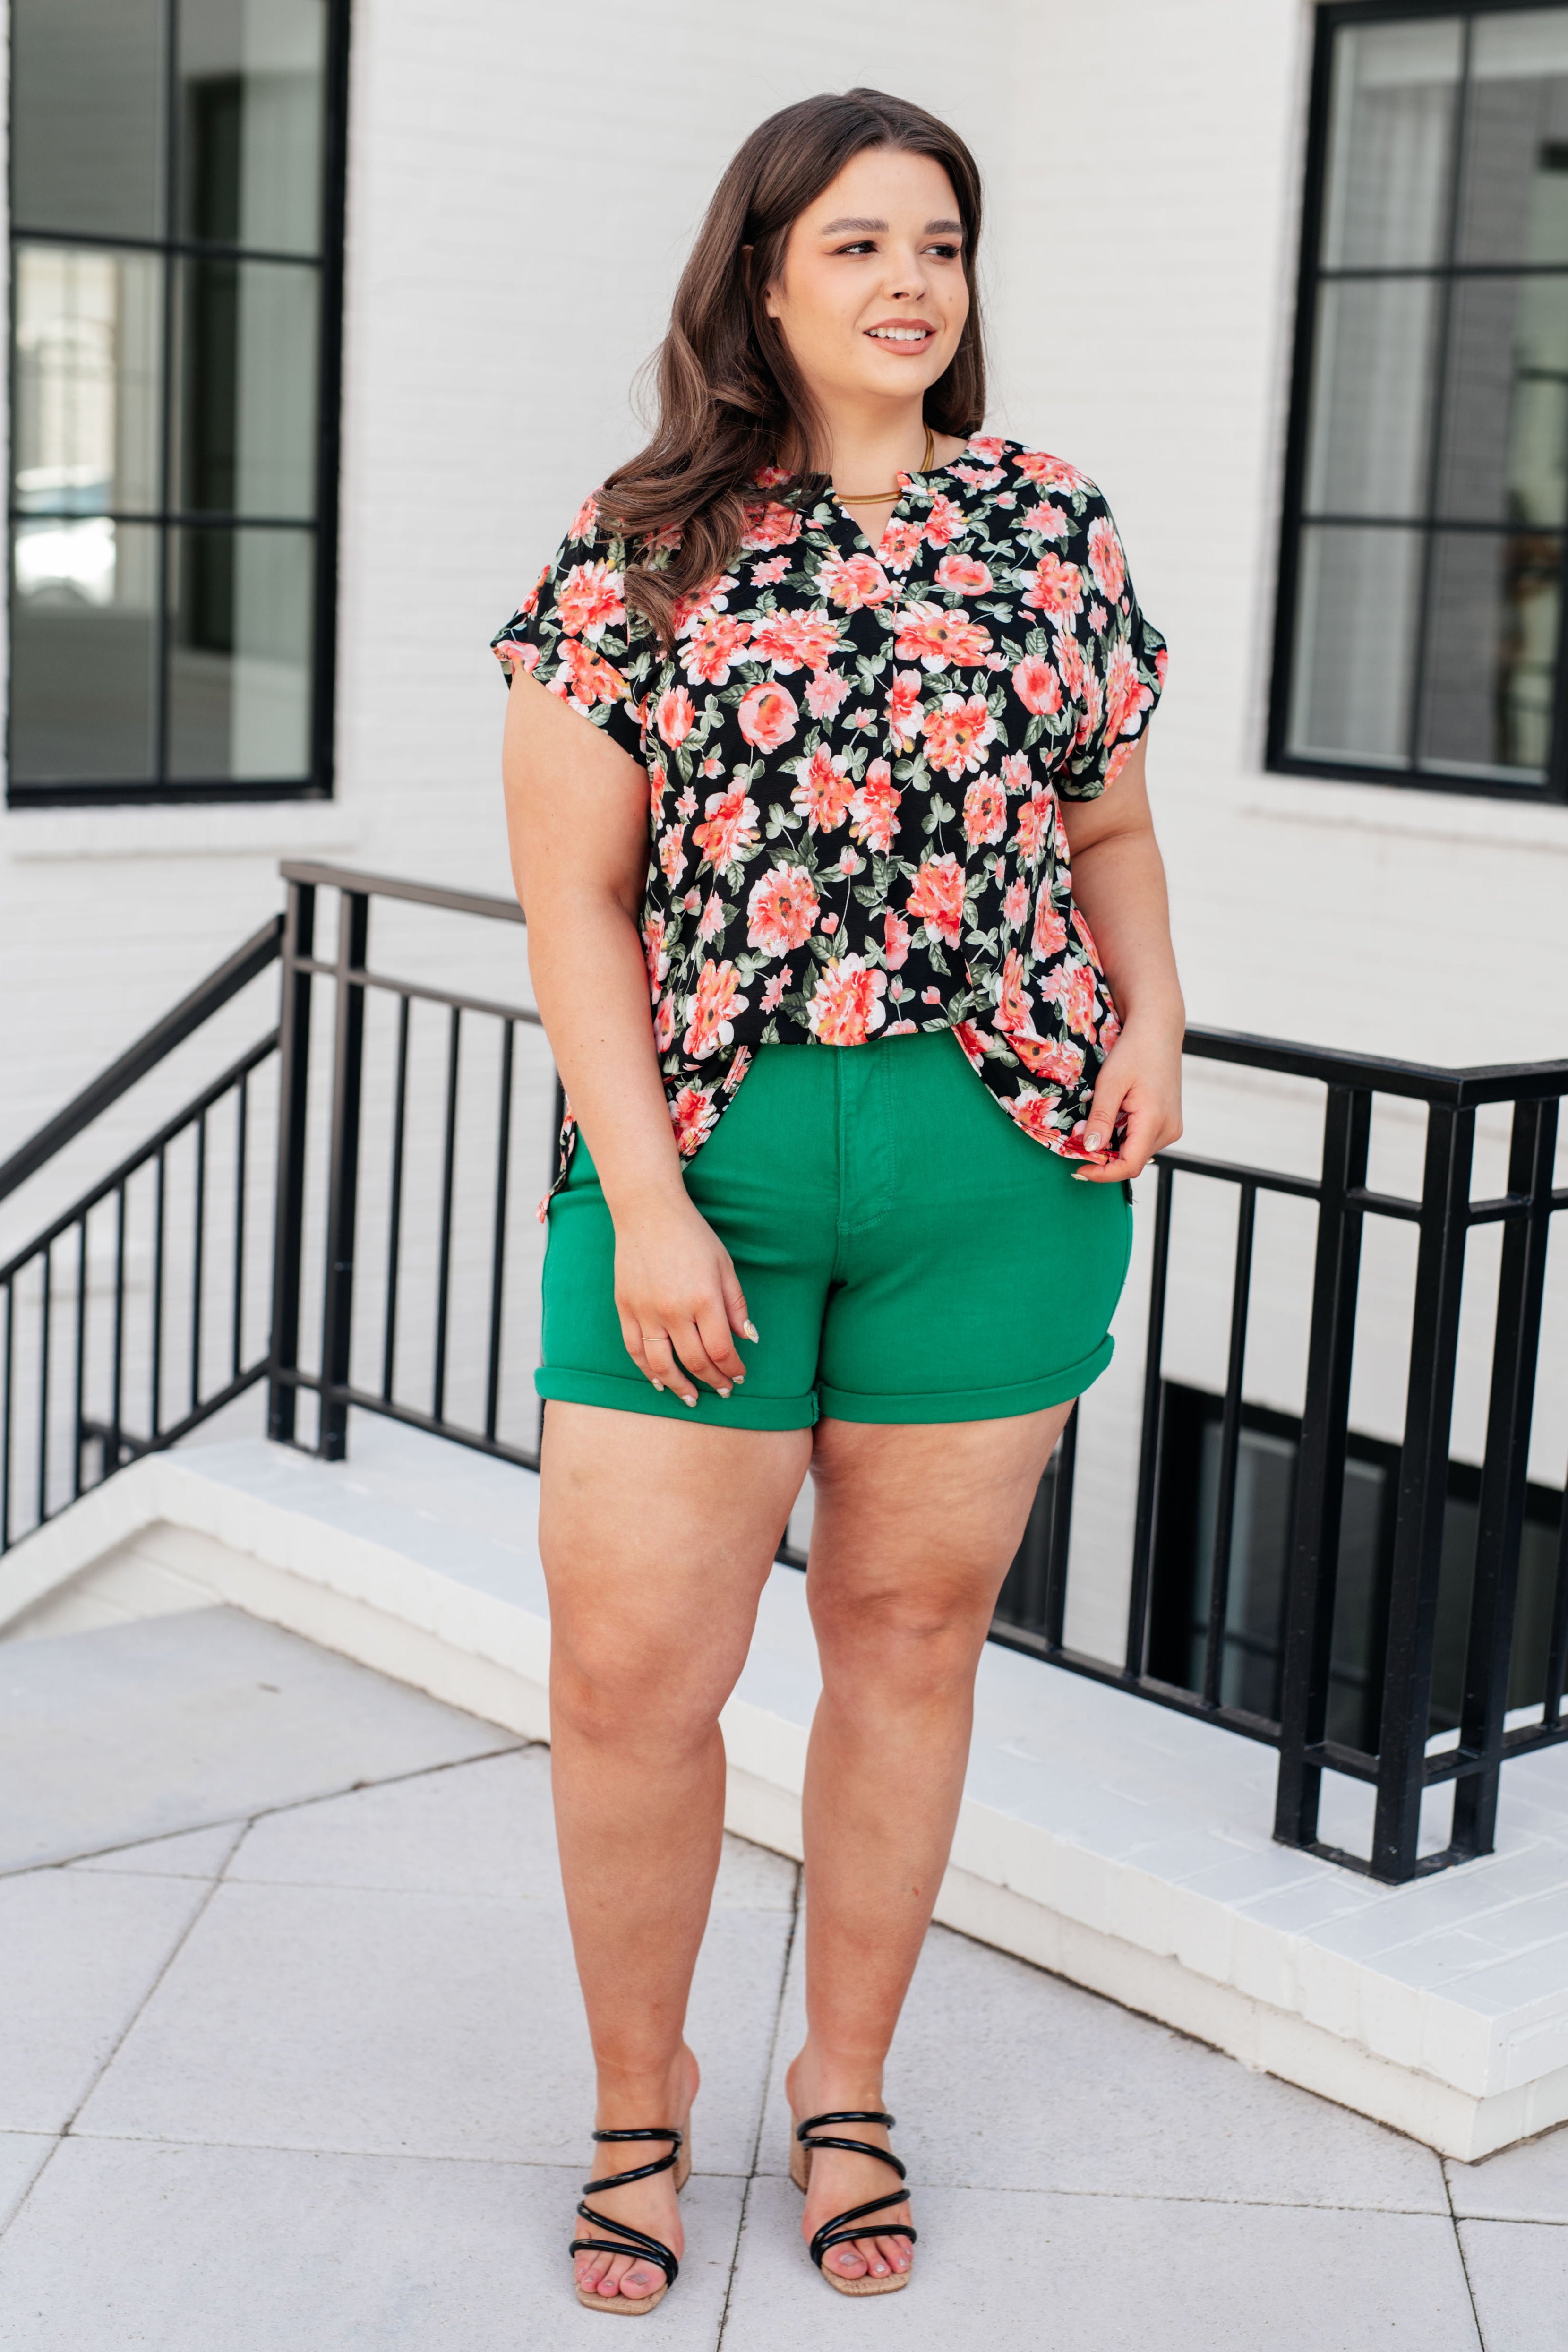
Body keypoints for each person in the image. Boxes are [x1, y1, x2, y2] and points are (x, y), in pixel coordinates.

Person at [495, 86, 1182, 2312]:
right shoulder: (639, 542)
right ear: (763, 282)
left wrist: (1153, 1015)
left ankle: (845, 2084)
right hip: (702, 1169)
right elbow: (577, 904)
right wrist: (651, 1197)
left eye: (942, 245)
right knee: (629, 1678)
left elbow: (1106, 834)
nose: (909, 282)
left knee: (903, 1645)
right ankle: (637, 2100)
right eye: (859, 244)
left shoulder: (1046, 522)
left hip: (999, 1171)